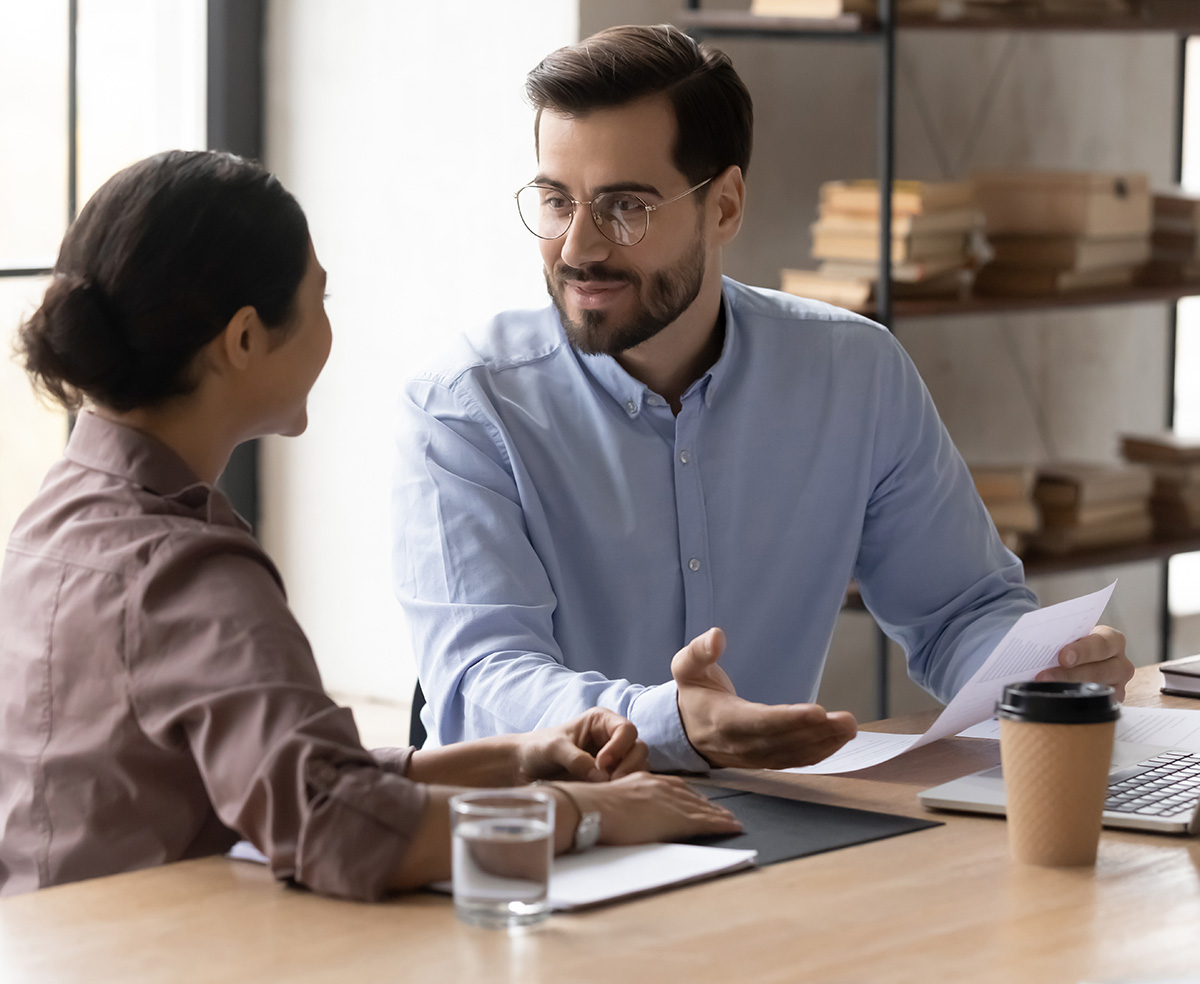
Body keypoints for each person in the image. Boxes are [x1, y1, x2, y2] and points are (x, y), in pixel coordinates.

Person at [0, 149, 741, 901]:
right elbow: (336, 828)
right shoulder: (187, 571)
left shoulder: (57, 519)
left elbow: (299, 777)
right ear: (246, 339)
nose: (328, 327)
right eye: (320, 299)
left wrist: (513, 756)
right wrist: (585, 813)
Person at [391, 24, 1133, 774]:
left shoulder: (855, 373)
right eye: (557, 201)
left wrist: (1040, 672)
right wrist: (670, 721)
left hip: (768, 833)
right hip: (544, 842)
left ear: (724, 207)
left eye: (625, 208)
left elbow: (960, 612)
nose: (578, 246)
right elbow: (482, 682)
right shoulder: (465, 406)